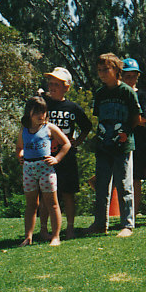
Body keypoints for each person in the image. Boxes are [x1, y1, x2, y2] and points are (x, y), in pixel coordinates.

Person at [87, 53, 143, 237]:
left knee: (124, 184)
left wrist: (125, 132)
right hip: (104, 145)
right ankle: (100, 223)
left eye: (106, 69)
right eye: (100, 70)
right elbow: (99, 118)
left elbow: (136, 117)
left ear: (117, 70)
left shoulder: (126, 91)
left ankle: (127, 224)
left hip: (123, 146)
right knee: (102, 185)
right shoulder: (100, 94)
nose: (102, 73)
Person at [38, 67, 92, 240]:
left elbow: (87, 126)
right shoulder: (43, 104)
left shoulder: (72, 107)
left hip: (66, 156)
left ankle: (69, 228)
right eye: (50, 83)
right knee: (46, 194)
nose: (52, 87)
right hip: (45, 156)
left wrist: (78, 141)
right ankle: (44, 230)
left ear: (66, 87)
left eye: (57, 84)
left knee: (68, 193)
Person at [16, 96, 71, 246]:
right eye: (37, 112)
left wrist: (57, 159)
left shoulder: (49, 128)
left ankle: (56, 236)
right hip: (28, 170)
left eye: (44, 112)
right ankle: (28, 237)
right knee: (31, 205)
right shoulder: (24, 130)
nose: (41, 116)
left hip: (45, 169)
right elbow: (19, 148)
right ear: (29, 113)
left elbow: (66, 144)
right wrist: (20, 156)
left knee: (52, 204)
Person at [121, 58, 146, 216]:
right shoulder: (117, 93)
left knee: (135, 178)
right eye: (127, 76)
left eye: (134, 76)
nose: (131, 79)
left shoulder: (142, 95)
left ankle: (133, 212)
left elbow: (145, 119)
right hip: (117, 140)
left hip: (138, 142)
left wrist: (128, 120)